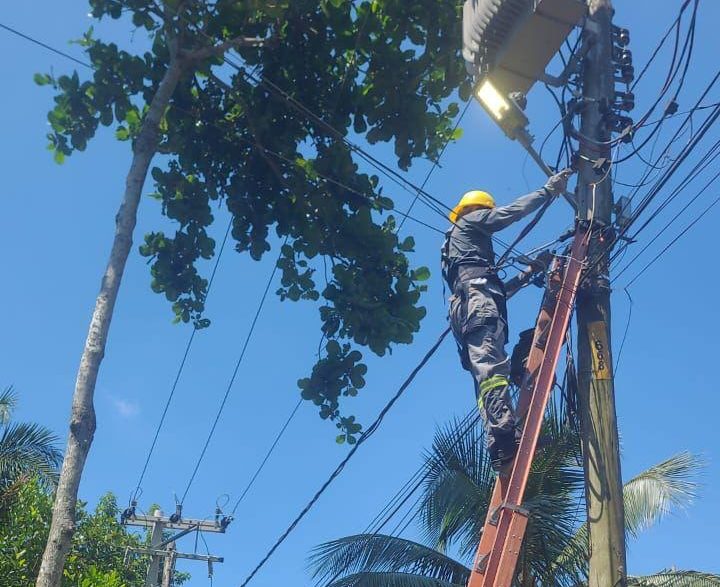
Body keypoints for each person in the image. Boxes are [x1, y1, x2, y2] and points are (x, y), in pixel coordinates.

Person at [441, 169, 574, 470]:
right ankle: (505, 433)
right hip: (476, 307)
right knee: (493, 371)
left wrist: (529, 273)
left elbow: (498, 290)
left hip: (469, 310)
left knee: (486, 377)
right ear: (477, 211)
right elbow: (507, 215)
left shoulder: (466, 263)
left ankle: (499, 447)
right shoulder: (471, 221)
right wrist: (548, 191)